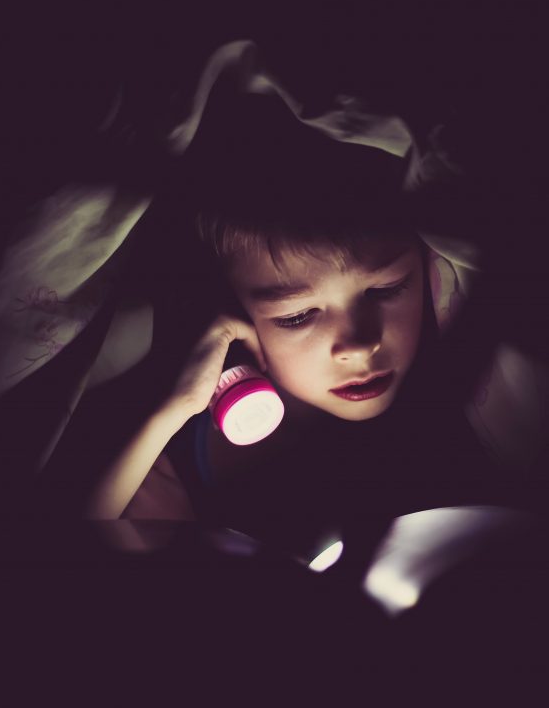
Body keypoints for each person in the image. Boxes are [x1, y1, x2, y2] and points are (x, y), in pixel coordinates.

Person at [83, 93, 531, 561]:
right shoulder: (183, 425)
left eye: (385, 290)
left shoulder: (450, 403)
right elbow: (102, 533)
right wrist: (176, 408)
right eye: (297, 315)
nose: (360, 345)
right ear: (236, 314)